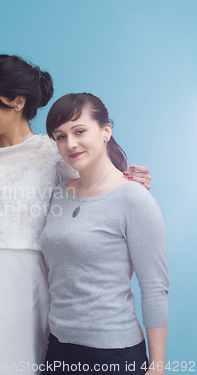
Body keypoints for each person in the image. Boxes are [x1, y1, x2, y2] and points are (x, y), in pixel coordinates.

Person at [0, 55, 152, 375]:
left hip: (29, 286)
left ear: (17, 102)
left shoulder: (52, 154)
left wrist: (131, 184)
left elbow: (100, 183)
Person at [40, 93, 168, 375]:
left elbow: (154, 287)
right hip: (57, 346)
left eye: (79, 131)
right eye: (60, 136)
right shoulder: (58, 193)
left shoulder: (134, 198)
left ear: (106, 131)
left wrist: (157, 366)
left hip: (112, 352)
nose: (70, 143)